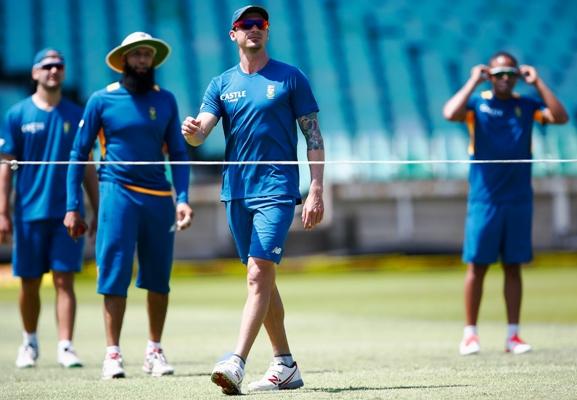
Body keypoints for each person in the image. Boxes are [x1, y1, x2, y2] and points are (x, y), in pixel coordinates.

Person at [181, 5, 324, 395]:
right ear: (234, 34)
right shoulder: (220, 83)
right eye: (246, 24)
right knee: (262, 278)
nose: (254, 29)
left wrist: (316, 188)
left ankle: (236, 361)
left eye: (260, 23)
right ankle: (285, 364)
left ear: (267, 30)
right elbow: (201, 132)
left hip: (277, 190)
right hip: (236, 192)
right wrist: (192, 131)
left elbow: (313, 135)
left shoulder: (291, 77)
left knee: (258, 273)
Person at [64, 32, 194, 379]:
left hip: (157, 199)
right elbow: (79, 153)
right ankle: (113, 354)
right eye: (136, 55)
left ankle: (154, 350)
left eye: (147, 55)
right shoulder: (101, 101)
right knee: (113, 274)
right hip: (117, 193)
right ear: (123, 60)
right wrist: (73, 205)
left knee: (158, 279)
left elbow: (179, 153)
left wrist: (182, 199)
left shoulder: (166, 100)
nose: (142, 61)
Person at [443, 51, 569, 356]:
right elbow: (450, 113)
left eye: (510, 74)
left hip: (518, 198)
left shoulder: (527, 105)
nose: (504, 79)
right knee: (478, 265)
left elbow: (560, 117)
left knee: (513, 266)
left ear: (516, 76)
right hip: (485, 199)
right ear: (490, 76)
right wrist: (473, 81)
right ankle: (470, 335)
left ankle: (513, 336)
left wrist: (538, 83)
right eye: (499, 74)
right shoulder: (478, 105)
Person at [0, 49, 99, 369]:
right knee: (28, 281)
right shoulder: (16, 115)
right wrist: (2, 212)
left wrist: (96, 207)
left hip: (66, 213)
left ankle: (65, 346)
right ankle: (29, 342)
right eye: (47, 66)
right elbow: (4, 165)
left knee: (64, 280)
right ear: (35, 73)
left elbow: (86, 165)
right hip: (28, 211)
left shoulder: (76, 114)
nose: (53, 71)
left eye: (59, 66)